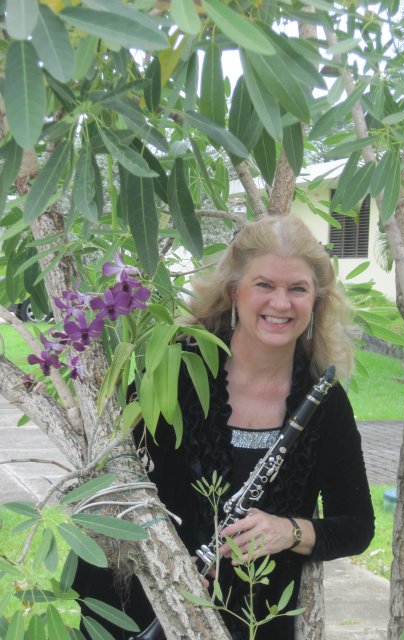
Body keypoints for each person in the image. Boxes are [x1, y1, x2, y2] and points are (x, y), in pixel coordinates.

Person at [73, 214, 375, 639]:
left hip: (255, 621)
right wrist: (173, 563)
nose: (281, 303)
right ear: (235, 291)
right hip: (144, 608)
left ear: (316, 300)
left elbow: (357, 526)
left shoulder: (324, 402)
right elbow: (110, 491)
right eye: (264, 285)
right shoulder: (173, 372)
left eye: (298, 289)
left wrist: (286, 531)